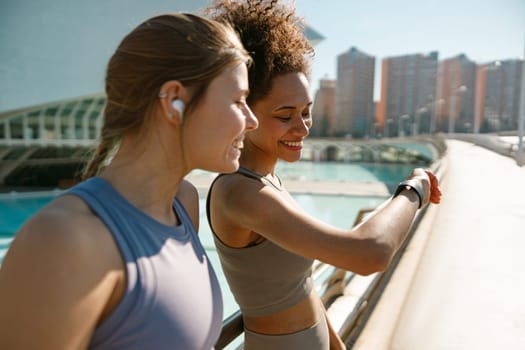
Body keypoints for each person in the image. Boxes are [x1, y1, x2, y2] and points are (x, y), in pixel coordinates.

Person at [0, 13, 257, 350]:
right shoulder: (65, 240)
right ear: (174, 100)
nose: (251, 121)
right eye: (238, 101)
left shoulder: (182, 205)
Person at [205, 1, 442, 349]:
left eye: (306, 112)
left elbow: (299, 289)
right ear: (245, 111)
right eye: (285, 115)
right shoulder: (240, 192)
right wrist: (414, 188)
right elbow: (369, 253)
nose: (301, 128)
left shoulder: (268, 182)